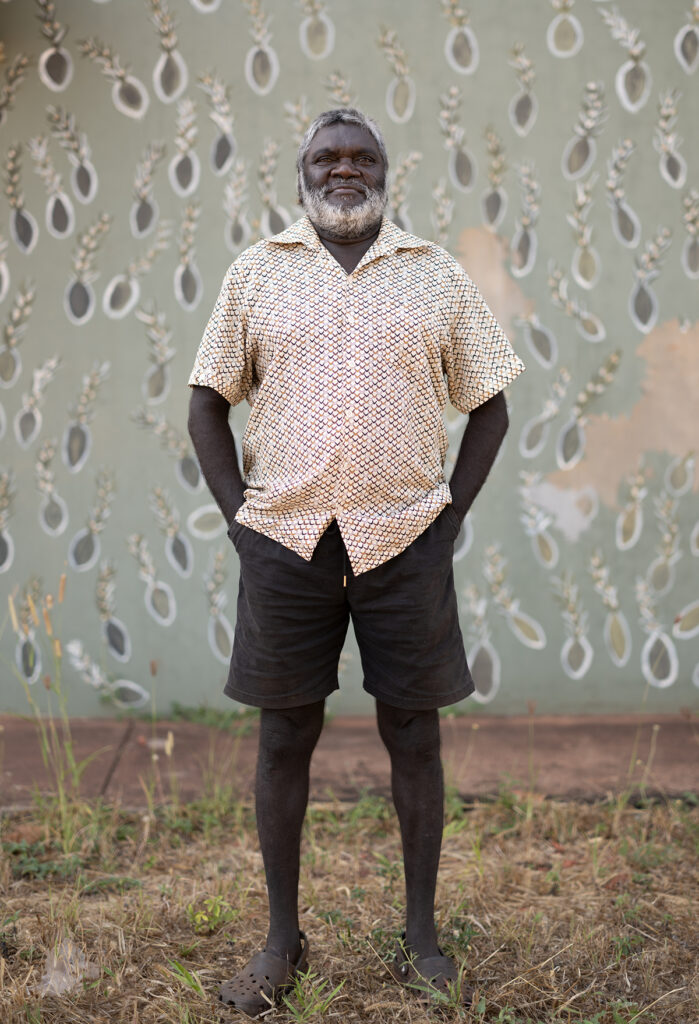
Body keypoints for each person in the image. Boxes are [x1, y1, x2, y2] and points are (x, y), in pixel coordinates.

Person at [188, 107, 525, 1016]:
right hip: (285, 541)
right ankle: (279, 941)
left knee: (413, 735)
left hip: (404, 541)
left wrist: (447, 519)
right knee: (283, 735)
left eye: (361, 157)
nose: (345, 168)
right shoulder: (257, 271)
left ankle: (421, 937)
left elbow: (490, 403)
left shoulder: (433, 274)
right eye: (326, 157)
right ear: (300, 173)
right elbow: (206, 403)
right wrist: (240, 521)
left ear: (384, 171)